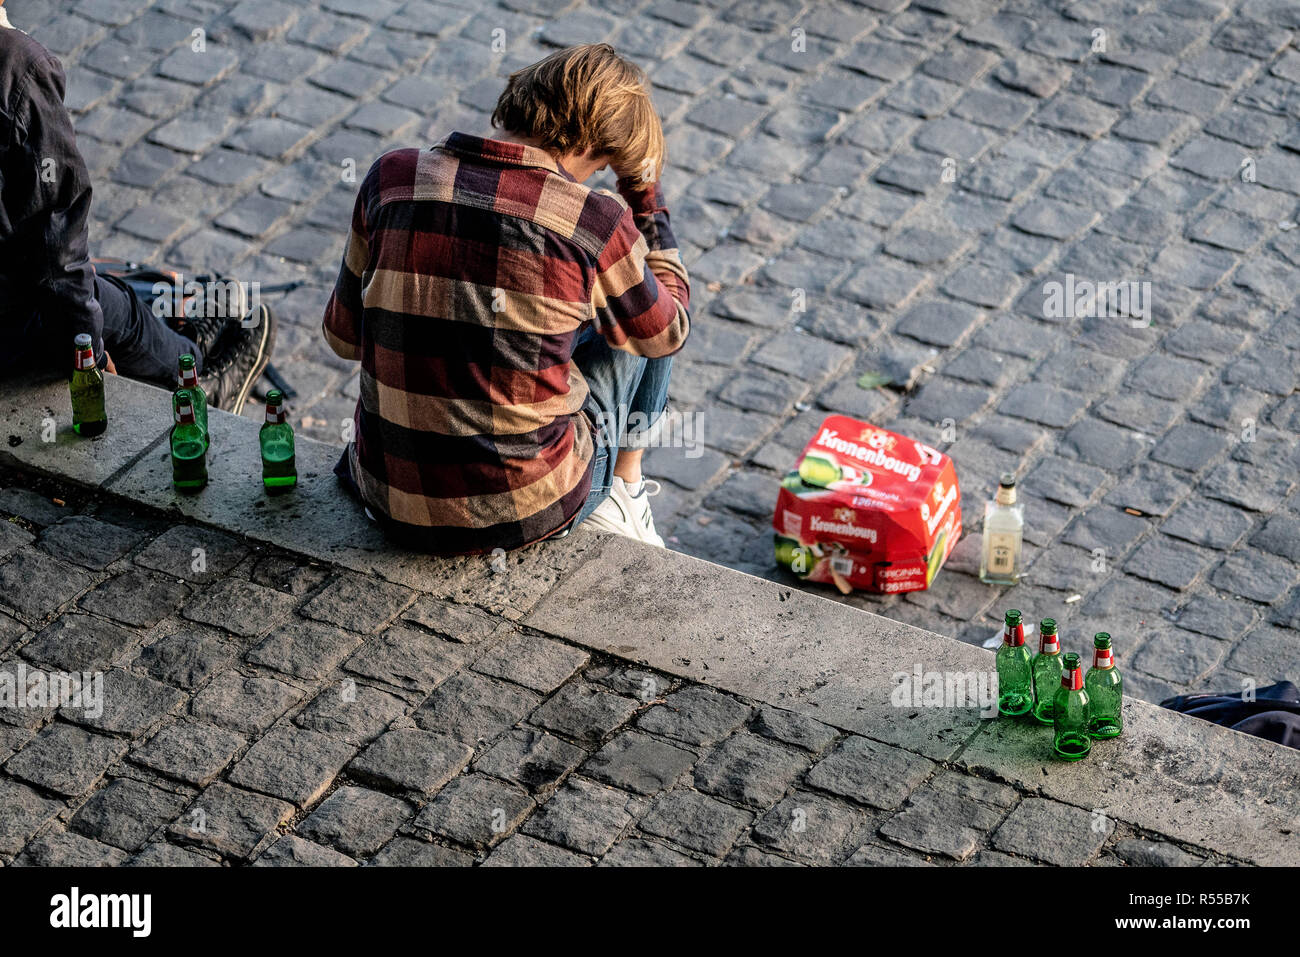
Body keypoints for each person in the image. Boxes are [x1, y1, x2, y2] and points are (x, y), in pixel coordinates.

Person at [324, 43, 690, 555]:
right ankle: (625, 488)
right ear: (590, 144)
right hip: (523, 509)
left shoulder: (393, 178)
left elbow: (343, 338)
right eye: (602, 165)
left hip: (387, 496)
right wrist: (646, 210)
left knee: (578, 297)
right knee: (639, 309)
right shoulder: (594, 219)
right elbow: (669, 332)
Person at [0, 2, 272, 406]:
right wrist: (85, 354)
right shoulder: (17, 66)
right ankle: (201, 380)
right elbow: (60, 250)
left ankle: (181, 342)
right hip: (10, 324)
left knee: (102, 298)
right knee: (116, 309)